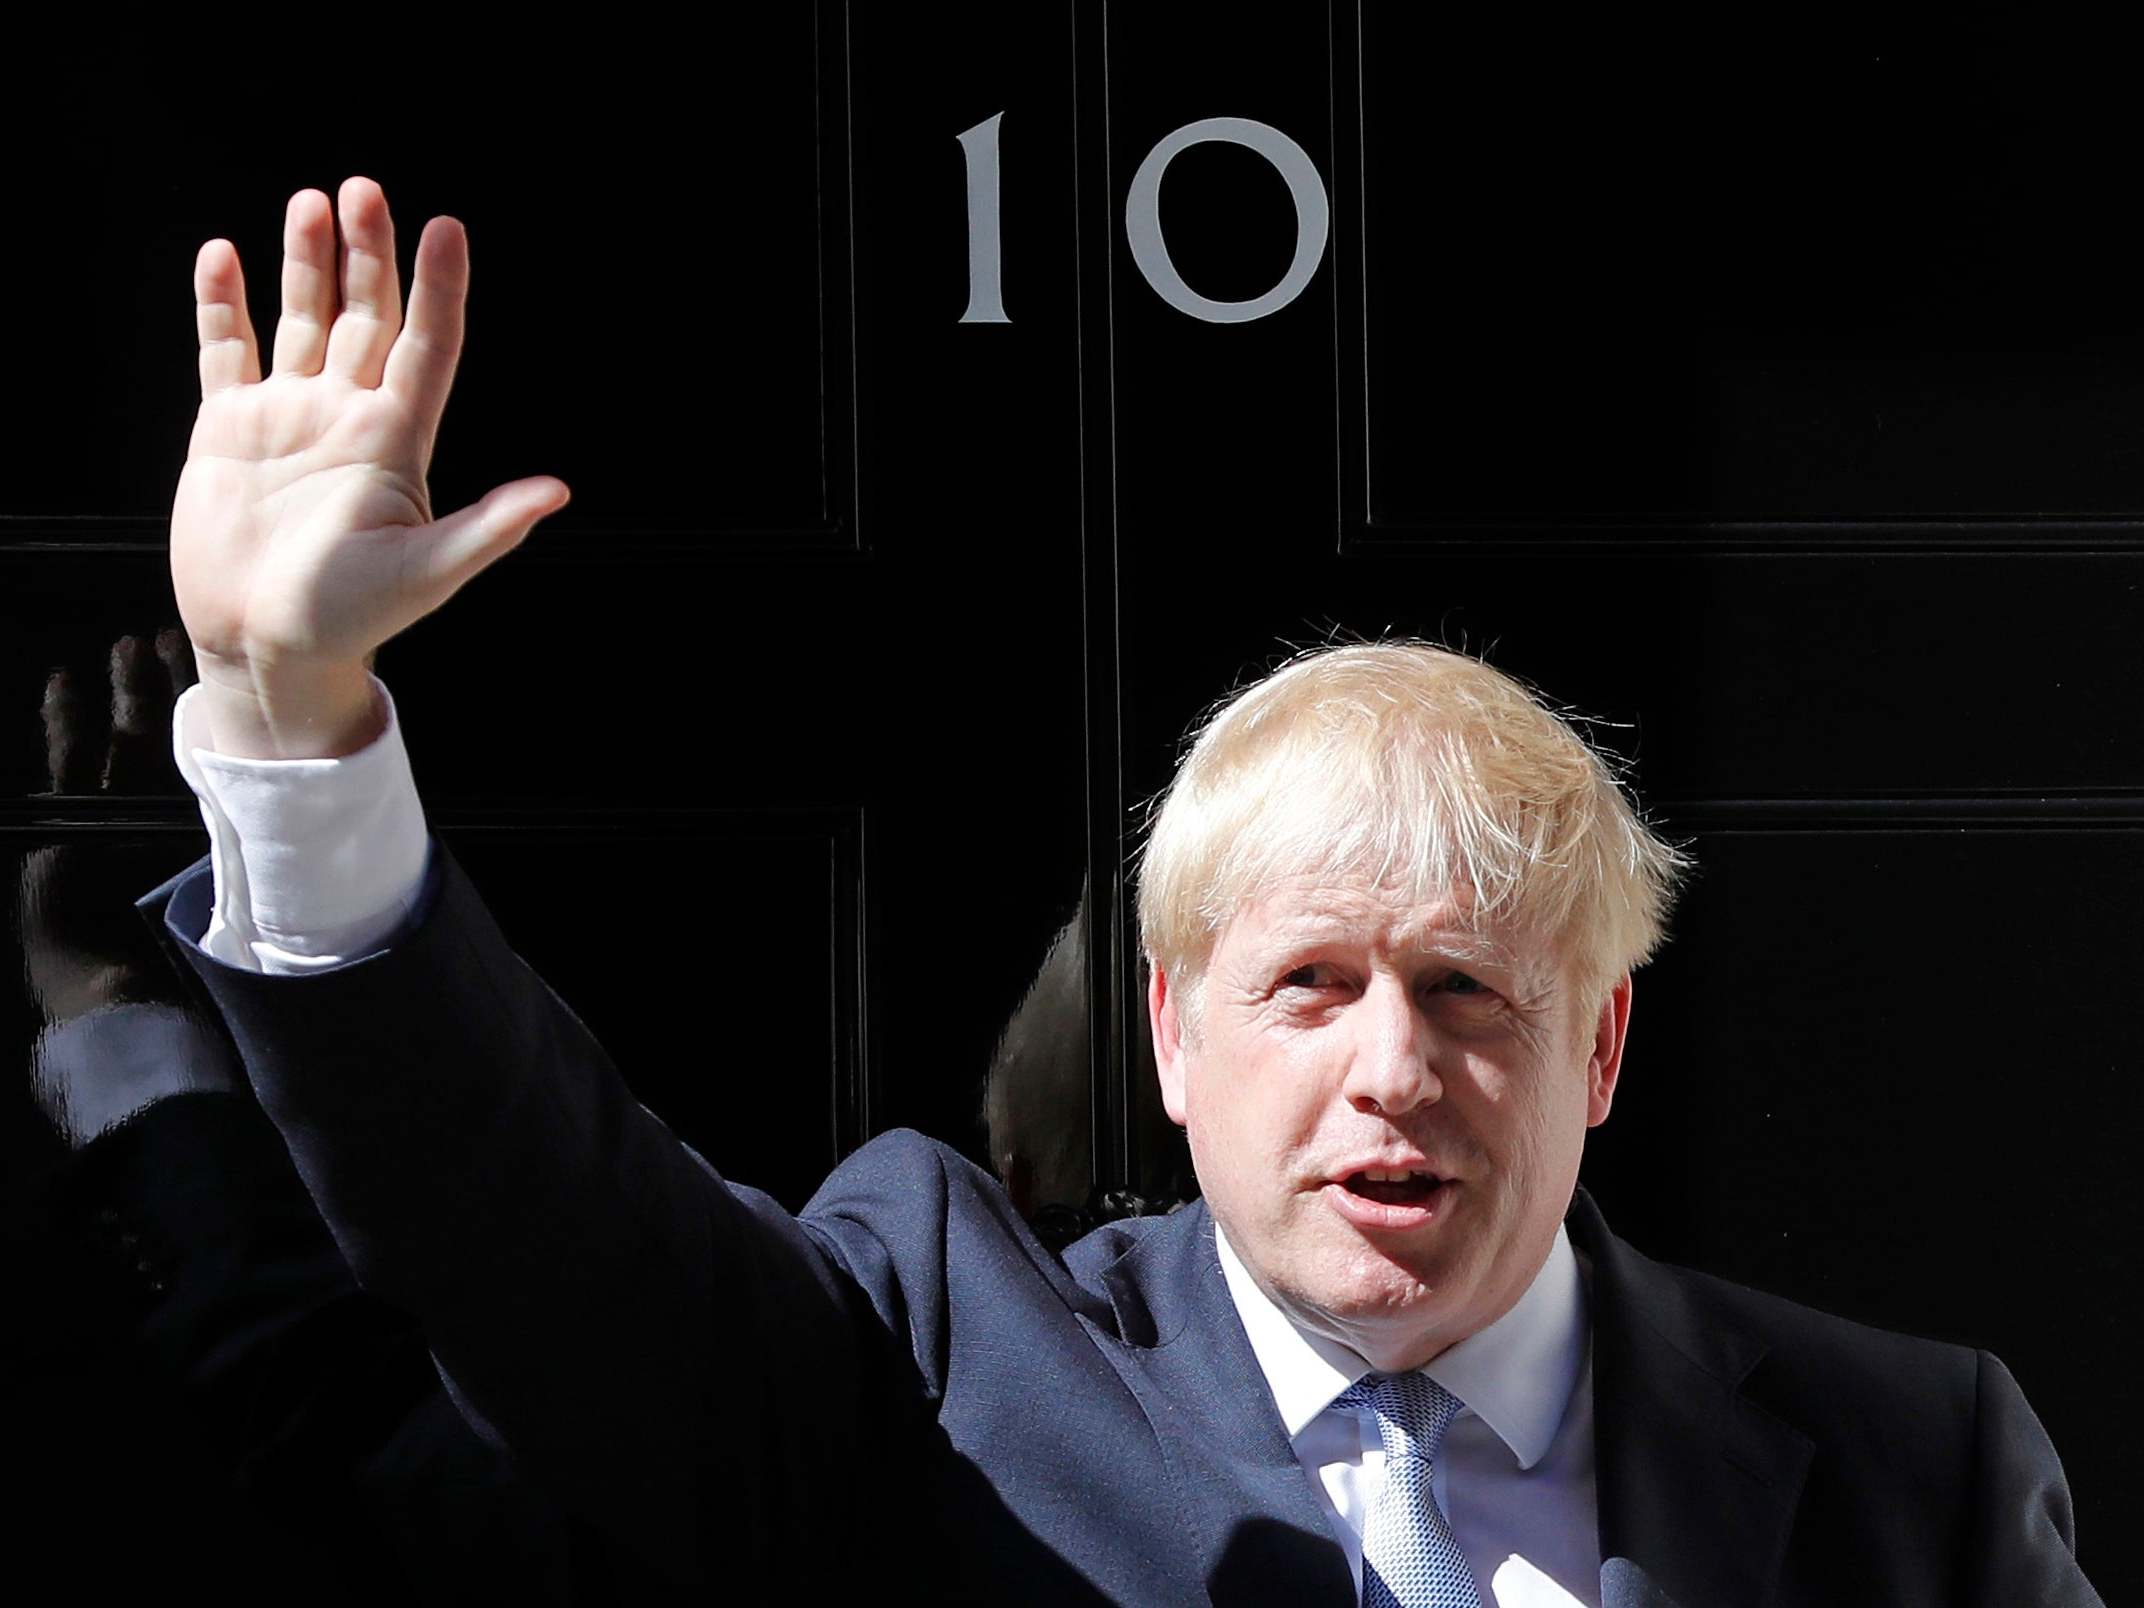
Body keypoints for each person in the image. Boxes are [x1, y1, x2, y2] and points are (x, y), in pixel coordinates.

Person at [145, 176, 2105, 1606]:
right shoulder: (936, 1342)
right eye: (1309, 984)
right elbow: (535, 1237)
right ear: (1167, 1033)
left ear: (1600, 1045)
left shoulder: (1913, 1464)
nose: (1390, 1070)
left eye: (1470, 993)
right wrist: (293, 712)